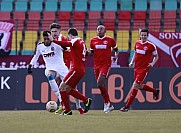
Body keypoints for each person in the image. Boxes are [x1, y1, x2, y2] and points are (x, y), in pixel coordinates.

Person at [27, 31, 84, 115]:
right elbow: (36, 56)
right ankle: (62, 102)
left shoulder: (57, 44)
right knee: (49, 74)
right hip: (51, 68)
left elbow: (68, 49)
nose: (46, 40)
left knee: (73, 88)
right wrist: (31, 65)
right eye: (45, 39)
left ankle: (79, 107)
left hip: (62, 68)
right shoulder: (40, 46)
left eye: (48, 38)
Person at [48, 28, 92, 115]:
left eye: (69, 36)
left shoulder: (75, 40)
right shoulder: (82, 42)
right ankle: (85, 100)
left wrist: (53, 40)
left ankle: (68, 110)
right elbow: (85, 53)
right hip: (80, 69)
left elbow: (67, 43)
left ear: (70, 35)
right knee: (68, 89)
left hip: (76, 69)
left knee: (61, 88)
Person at [120, 28, 160, 112]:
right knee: (139, 86)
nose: (143, 36)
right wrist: (132, 62)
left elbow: (156, 56)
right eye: (142, 35)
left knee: (135, 86)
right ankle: (155, 91)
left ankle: (127, 106)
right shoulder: (137, 43)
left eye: (145, 35)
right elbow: (135, 53)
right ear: (140, 35)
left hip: (144, 69)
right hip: (136, 68)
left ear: (147, 36)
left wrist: (152, 64)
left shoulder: (151, 46)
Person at [87, 25, 119, 113]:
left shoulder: (110, 40)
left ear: (105, 31)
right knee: (101, 86)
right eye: (98, 29)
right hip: (96, 65)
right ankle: (109, 104)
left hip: (106, 65)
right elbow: (92, 52)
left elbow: (116, 49)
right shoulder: (93, 40)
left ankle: (106, 103)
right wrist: (87, 53)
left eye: (101, 29)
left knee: (100, 83)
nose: (99, 31)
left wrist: (116, 55)